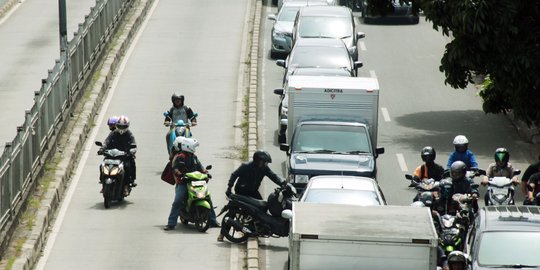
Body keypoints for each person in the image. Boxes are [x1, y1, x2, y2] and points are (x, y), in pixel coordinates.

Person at [217, 150, 287, 241]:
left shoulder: (264, 168)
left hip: (253, 191)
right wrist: (229, 188)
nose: (266, 164)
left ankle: (256, 230)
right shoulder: (246, 166)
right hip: (241, 191)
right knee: (233, 212)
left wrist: (282, 183)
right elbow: (234, 175)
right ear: (258, 161)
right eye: (264, 162)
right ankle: (222, 234)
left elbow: (273, 176)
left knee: (263, 208)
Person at [163, 137, 219, 230]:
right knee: (177, 201)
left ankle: (213, 221)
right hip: (184, 183)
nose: (195, 149)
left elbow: (201, 167)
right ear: (188, 147)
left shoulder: (194, 157)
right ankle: (171, 223)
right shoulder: (180, 156)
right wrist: (179, 174)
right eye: (194, 147)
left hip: (196, 181)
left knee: (208, 198)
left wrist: (206, 173)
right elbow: (175, 168)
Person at [99, 115, 137, 196]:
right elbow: (106, 142)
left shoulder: (129, 135)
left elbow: (134, 145)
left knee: (128, 166)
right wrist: (102, 149)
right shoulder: (113, 133)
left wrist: (131, 151)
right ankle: (102, 182)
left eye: (124, 126)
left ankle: (127, 185)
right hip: (112, 155)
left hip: (124, 156)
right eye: (120, 126)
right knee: (102, 165)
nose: (121, 128)